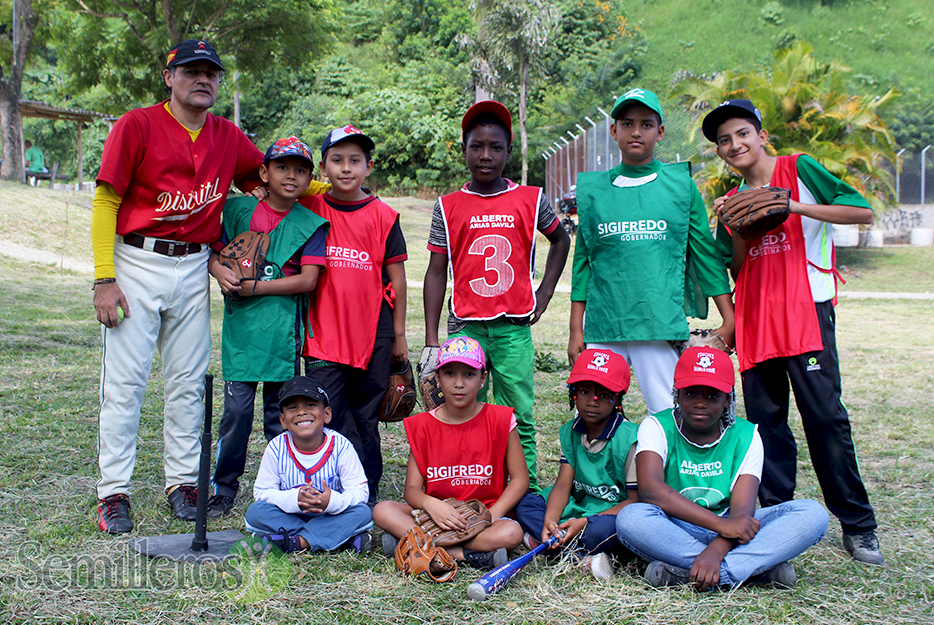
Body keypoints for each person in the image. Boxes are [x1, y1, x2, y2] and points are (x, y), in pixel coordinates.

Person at [92, 39, 265, 534]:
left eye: (211, 71)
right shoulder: (137, 125)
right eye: (191, 70)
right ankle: (113, 491)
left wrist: (333, 189)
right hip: (136, 261)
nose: (202, 78)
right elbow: (106, 202)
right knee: (125, 384)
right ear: (169, 77)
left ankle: (184, 482)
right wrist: (104, 278)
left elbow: (270, 180)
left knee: (189, 383)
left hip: (192, 266)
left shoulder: (227, 135)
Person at [701, 99, 883, 565]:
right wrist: (736, 226)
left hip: (805, 314)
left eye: (742, 133)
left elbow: (861, 211)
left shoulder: (797, 168)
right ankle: (776, 527)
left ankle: (858, 525)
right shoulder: (732, 198)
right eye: (724, 140)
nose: (734, 144)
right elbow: (737, 267)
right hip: (757, 319)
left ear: (761, 136)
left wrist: (791, 205)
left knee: (825, 420)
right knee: (767, 430)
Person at [422, 101, 570, 490]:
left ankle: (526, 490)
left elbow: (560, 239)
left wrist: (545, 291)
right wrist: (432, 340)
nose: (486, 155)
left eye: (496, 147)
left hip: (513, 327)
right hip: (465, 326)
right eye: (476, 146)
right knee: (462, 410)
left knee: (517, 413)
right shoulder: (447, 206)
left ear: (509, 151)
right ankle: (472, 487)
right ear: (464, 149)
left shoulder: (531, 198)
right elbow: (436, 271)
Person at [568, 87, 735, 416]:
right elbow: (583, 264)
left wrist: (729, 320)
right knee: (591, 417)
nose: (636, 132)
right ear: (614, 131)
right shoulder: (594, 191)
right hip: (605, 323)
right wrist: (576, 330)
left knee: (669, 413)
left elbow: (705, 254)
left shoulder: (679, 185)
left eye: (646, 124)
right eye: (627, 124)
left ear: (659, 132)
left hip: (657, 324)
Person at [616, 346, 829, 590]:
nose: (700, 403)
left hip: (732, 527)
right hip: (676, 527)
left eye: (712, 396)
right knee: (631, 518)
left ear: (728, 399)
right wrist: (722, 527)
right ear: (676, 394)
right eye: (691, 393)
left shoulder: (747, 435)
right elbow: (650, 490)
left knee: (813, 513)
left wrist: (716, 550)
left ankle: (695, 575)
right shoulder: (656, 426)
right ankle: (751, 572)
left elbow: (742, 512)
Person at [205, 136, 330, 518]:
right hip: (242, 332)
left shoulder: (310, 224)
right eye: (282, 167)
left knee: (282, 417)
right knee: (236, 415)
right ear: (264, 172)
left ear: (310, 179)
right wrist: (219, 271)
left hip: (282, 333)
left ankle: (286, 488)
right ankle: (224, 487)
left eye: (301, 170)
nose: (291, 176)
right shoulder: (239, 210)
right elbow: (213, 253)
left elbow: (308, 280)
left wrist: (254, 287)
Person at [298, 124, 408, 506]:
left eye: (355, 160)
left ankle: (367, 486)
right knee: (330, 411)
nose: (346, 168)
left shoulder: (384, 216)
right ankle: (339, 483)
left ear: (368, 166)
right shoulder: (309, 208)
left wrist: (399, 336)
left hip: (373, 333)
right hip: (323, 333)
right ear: (323, 168)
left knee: (366, 414)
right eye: (337, 160)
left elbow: (397, 278)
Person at [372, 336, 528, 570]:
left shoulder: (501, 419)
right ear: (437, 378)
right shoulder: (423, 425)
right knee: (383, 510)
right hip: (436, 517)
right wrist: (431, 505)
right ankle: (464, 554)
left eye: (469, 374)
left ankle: (420, 546)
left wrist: (491, 515)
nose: (459, 383)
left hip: (482, 515)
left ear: (483, 378)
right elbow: (412, 489)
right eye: (449, 374)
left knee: (511, 533)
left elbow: (520, 479)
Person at [514, 348, 639, 580]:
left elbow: (635, 501)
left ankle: (555, 548)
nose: (592, 401)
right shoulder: (571, 431)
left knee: (611, 529)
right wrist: (550, 521)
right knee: (526, 504)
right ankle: (577, 553)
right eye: (584, 391)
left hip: (608, 514)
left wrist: (585, 522)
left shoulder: (629, 438)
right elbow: (563, 486)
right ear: (573, 394)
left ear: (617, 399)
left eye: (604, 395)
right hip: (578, 506)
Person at [245, 375, 373, 553]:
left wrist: (332, 501)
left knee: (362, 513)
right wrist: (294, 499)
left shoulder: (341, 446)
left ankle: (295, 543)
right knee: (256, 512)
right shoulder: (276, 447)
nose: (301, 412)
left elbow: (360, 491)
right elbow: (262, 492)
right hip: (290, 516)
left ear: (327, 414)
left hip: (330, 515)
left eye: (310, 405)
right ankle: (338, 540)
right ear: (283, 420)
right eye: (292, 407)